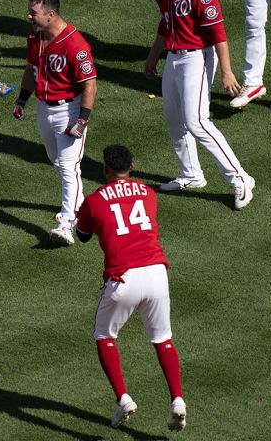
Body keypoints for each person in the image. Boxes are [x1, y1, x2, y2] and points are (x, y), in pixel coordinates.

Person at [75, 144, 188, 432]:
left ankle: (123, 398)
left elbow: (84, 236)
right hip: (156, 274)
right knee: (163, 339)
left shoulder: (94, 200)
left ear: (104, 170)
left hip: (123, 279)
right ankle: (177, 399)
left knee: (104, 335)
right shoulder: (148, 193)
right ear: (132, 167)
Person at [145, 0, 255, 209]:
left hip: (198, 57)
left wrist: (227, 72)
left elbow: (218, 33)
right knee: (173, 117)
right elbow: (165, 23)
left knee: (197, 121)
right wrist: (153, 55)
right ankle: (191, 173)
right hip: (174, 56)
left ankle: (240, 179)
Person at [12, 0, 97, 245]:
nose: (28, 16)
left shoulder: (75, 44)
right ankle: (80, 204)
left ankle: (65, 224)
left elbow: (90, 85)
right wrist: (22, 99)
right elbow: (31, 69)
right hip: (43, 108)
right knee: (56, 161)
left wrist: (82, 120)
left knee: (67, 167)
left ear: (50, 15)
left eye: (33, 13)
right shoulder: (34, 36)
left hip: (69, 111)